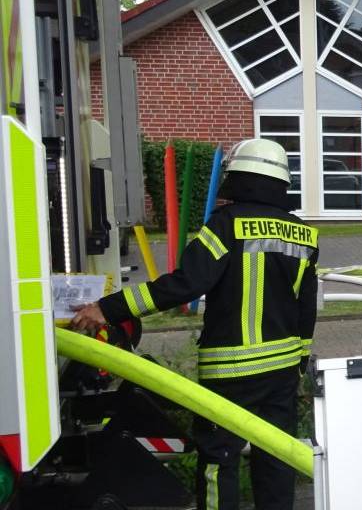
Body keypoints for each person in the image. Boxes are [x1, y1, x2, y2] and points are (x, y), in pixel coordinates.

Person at [71, 139, 317, 510]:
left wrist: (111, 308)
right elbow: (306, 310)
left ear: (239, 178)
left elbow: (186, 284)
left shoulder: (225, 225)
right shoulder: (304, 235)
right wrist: (299, 362)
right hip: (281, 370)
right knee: (277, 454)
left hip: (230, 371)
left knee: (220, 457)